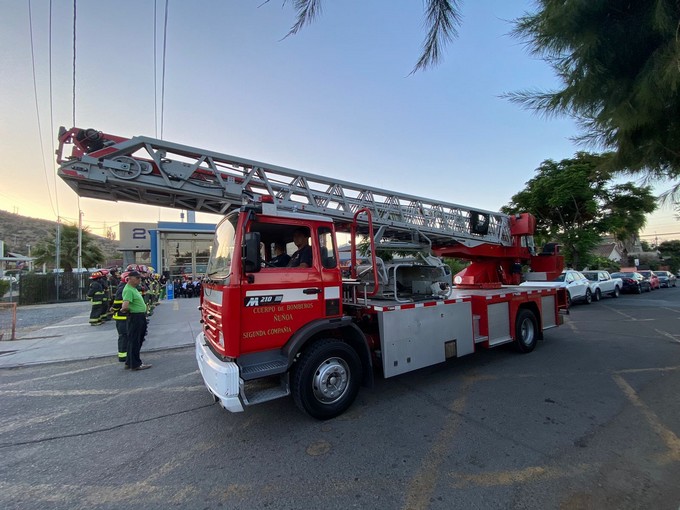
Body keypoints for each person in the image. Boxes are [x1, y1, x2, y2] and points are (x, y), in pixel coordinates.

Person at [120, 271, 152, 371]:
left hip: (138, 316)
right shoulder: (129, 290)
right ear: (130, 278)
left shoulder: (132, 289)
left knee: (135, 340)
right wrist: (128, 311)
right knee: (135, 341)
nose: (139, 280)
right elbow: (125, 306)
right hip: (135, 317)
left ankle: (130, 362)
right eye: (137, 278)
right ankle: (136, 364)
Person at [111, 272, 129, 364]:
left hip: (125, 317)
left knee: (126, 336)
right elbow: (118, 303)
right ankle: (123, 356)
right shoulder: (123, 288)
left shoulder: (125, 287)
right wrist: (114, 309)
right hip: (122, 317)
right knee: (123, 336)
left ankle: (126, 355)